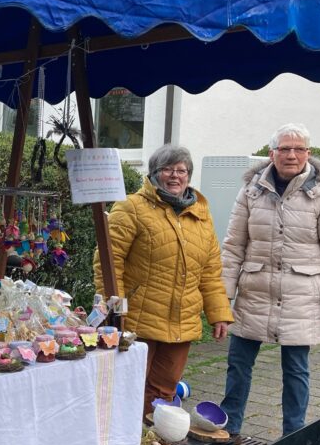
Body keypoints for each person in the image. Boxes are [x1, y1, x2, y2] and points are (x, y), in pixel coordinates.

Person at [220, 123, 320, 445]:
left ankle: (294, 437)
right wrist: (222, 299)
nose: (291, 155)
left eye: (298, 149)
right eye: (284, 149)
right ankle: (230, 430)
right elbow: (234, 246)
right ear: (271, 153)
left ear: (308, 154)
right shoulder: (251, 190)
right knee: (238, 365)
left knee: (296, 369)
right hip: (254, 291)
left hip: (301, 294)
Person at [94, 144, 233, 417]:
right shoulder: (131, 207)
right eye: (167, 169)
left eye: (181, 170)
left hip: (182, 323)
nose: (175, 176)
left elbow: (209, 272)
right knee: (127, 388)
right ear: (154, 173)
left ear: (189, 176)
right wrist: (115, 312)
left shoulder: (200, 216)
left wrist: (218, 314)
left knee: (164, 392)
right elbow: (108, 262)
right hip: (138, 321)